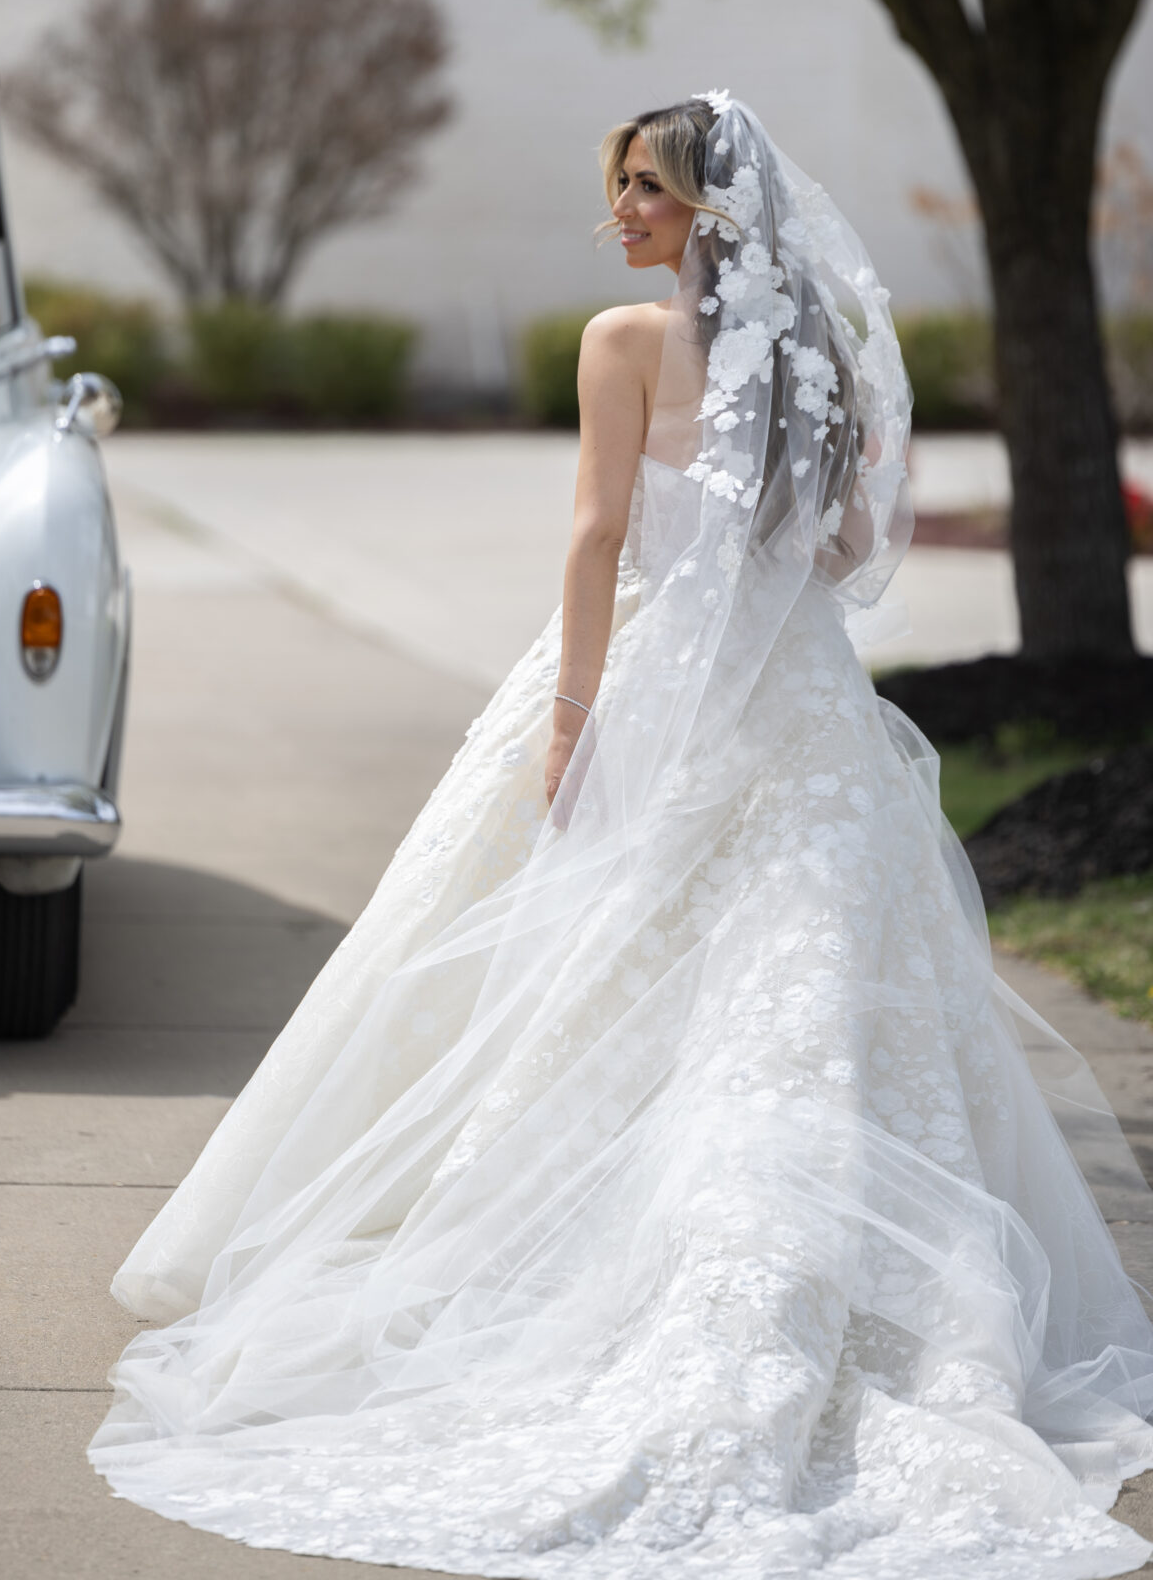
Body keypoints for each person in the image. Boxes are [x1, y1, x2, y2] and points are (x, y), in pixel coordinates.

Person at [89, 92, 1153, 1579]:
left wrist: (576, 718)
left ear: (713, 211)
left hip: (661, 676)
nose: (625, 216)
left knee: (656, 982)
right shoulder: (817, 355)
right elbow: (848, 552)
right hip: (806, 709)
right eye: (623, 192)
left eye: (646, 190)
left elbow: (596, 535)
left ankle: (673, 1279)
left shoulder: (619, 344)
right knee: (808, 992)